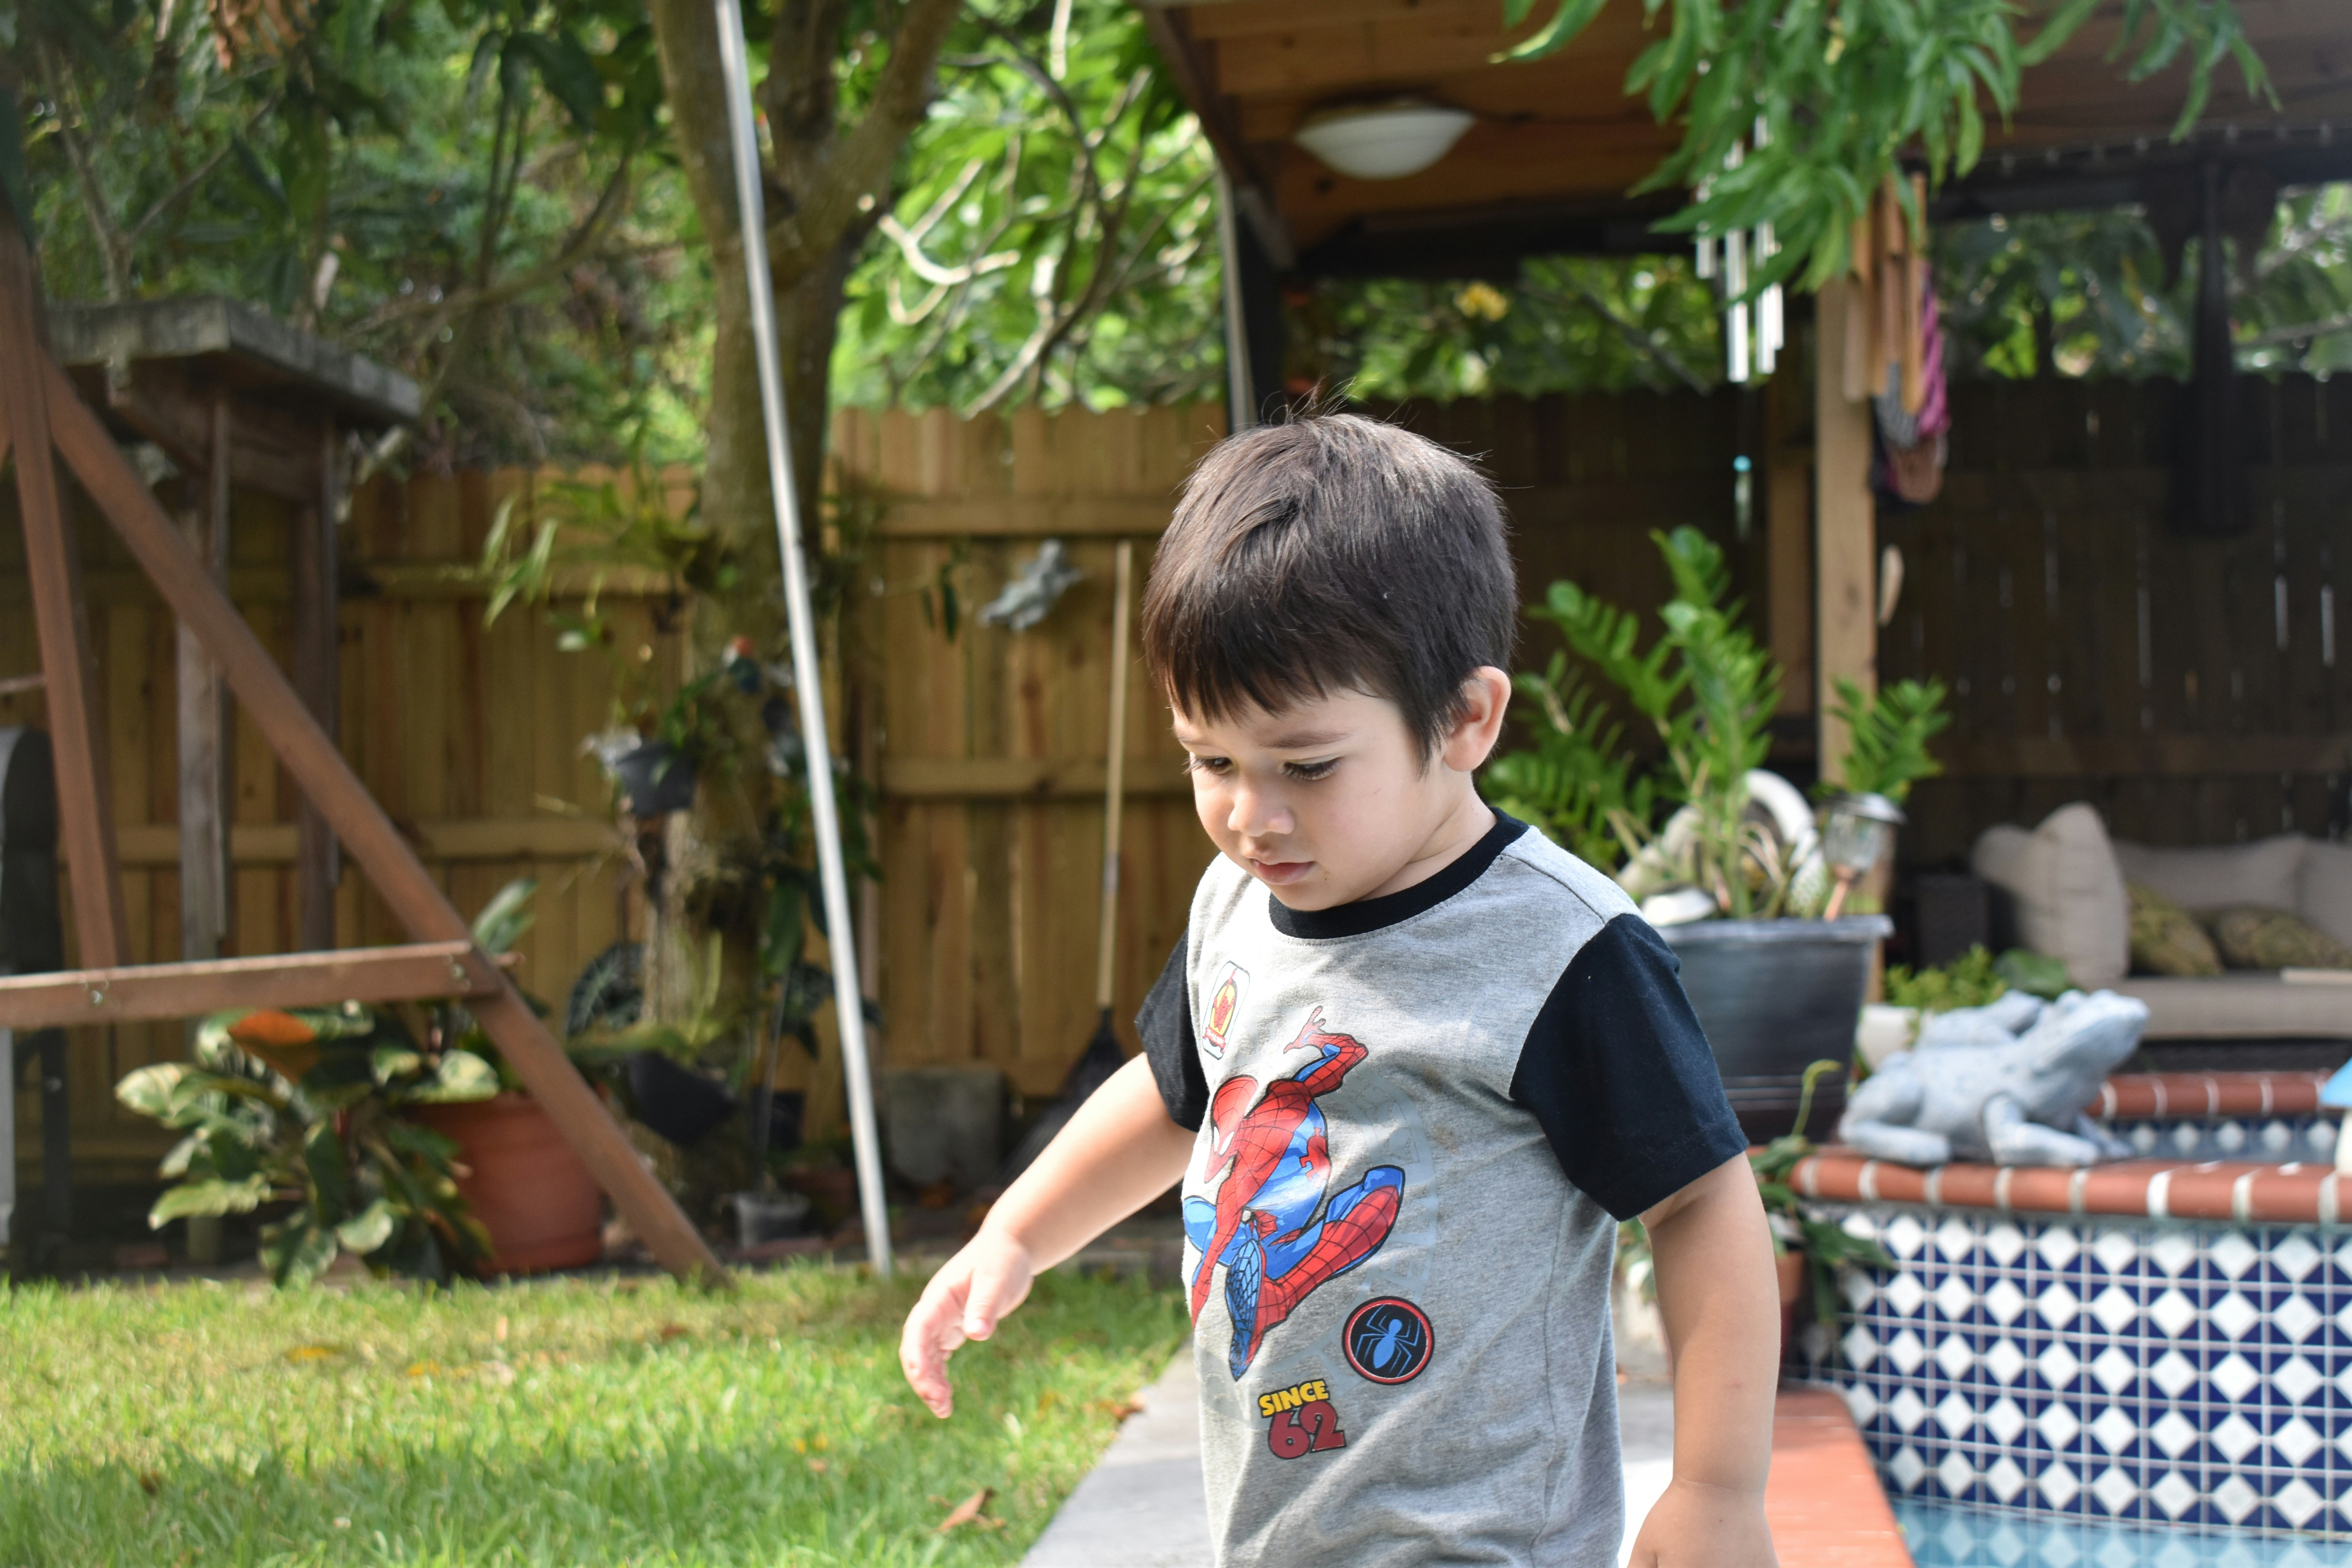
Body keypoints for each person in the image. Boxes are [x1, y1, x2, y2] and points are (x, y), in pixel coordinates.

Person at [900, 413, 1781, 1568]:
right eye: (1211, 761)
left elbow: (1701, 1202)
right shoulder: (1236, 904)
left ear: (1466, 719)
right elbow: (1178, 1095)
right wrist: (1015, 1233)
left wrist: (1717, 1488)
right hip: (1282, 1529)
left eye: (1306, 767)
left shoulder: (1558, 951)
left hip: (1486, 1539)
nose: (1250, 816)